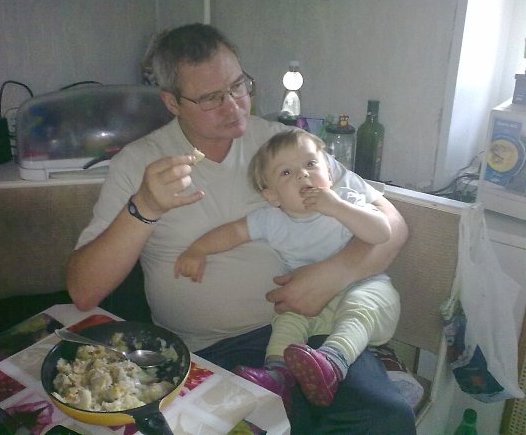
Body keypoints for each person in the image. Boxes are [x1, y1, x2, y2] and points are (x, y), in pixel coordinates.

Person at [66, 23, 414, 434]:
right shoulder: (138, 163)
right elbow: (84, 291)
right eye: (211, 98)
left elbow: (393, 224)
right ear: (172, 102)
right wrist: (144, 207)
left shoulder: (286, 147)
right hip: (210, 352)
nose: (233, 106)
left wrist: (332, 275)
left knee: (386, 418)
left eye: (238, 86)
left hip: (315, 325)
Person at [174, 128, 400, 412]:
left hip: (365, 288)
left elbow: (381, 232)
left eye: (311, 164)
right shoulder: (270, 219)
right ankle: (278, 374)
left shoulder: (346, 199)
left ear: (329, 174)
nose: (303, 175)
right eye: (286, 173)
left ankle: (333, 362)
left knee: (359, 305)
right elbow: (233, 232)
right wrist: (198, 249)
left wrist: (339, 208)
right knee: (286, 318)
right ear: (272, 196)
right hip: (310, 305)